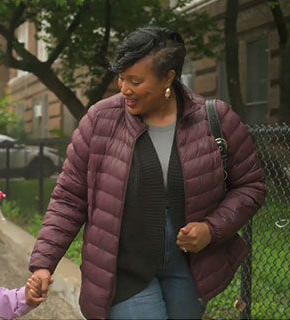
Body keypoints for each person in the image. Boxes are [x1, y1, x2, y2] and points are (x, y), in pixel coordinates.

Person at [26, 26, 266, 319]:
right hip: (123, 272)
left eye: (135, 81)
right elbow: (69, 197)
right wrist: (43, 263)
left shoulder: (215, 119)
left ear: (168, 78)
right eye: (122, 78)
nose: (124, 89)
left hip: (189, 270)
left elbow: (251, 186)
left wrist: (211, 229)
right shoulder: (100, 121)